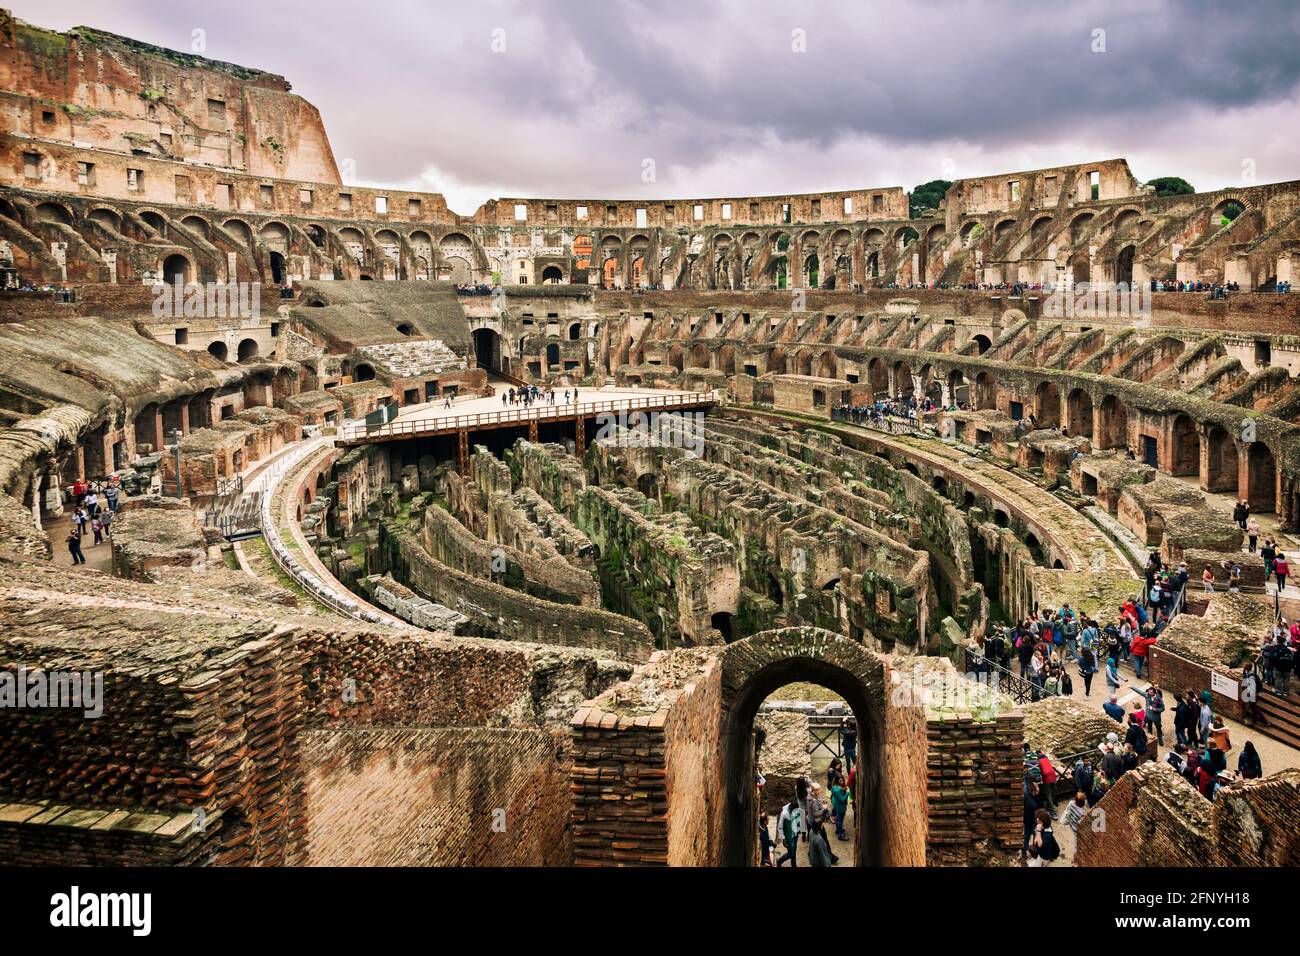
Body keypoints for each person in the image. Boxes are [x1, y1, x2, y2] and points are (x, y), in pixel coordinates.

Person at [776, 799, 802, 867]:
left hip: (795, 835)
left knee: (794, 851)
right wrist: (783, 839)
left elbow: (798, 820)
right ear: (791, 808)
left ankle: (793, 865)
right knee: (791, 853)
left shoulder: (796, 809)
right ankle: (779, 861)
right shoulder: (785, 813)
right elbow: (780, 827)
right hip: (789, 837)